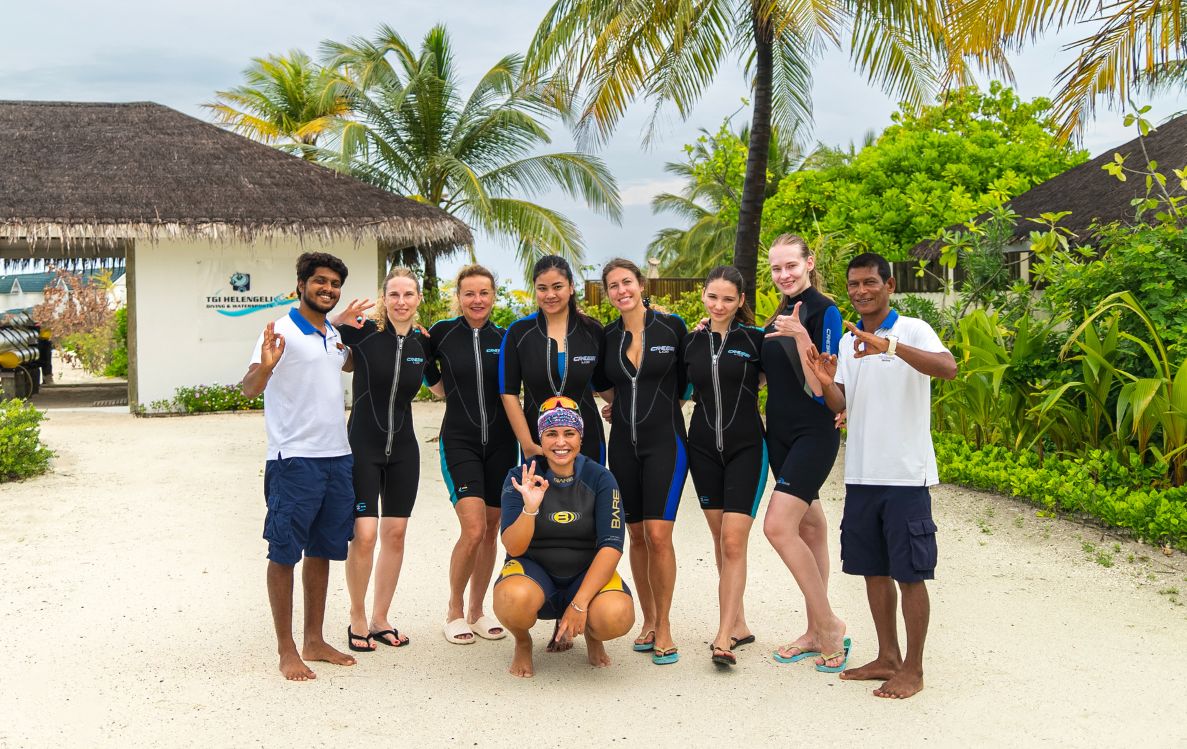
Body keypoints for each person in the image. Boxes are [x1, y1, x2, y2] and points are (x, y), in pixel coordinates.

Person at [805, 251, 957, 699]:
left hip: (906, 475)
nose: (861, 291)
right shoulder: (849, 340)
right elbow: (841, 403)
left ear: (889, 285)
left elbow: (947, 368)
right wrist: (826, 381)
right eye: (854, 284)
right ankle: (887, 656)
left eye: (870, 282)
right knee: (873, 570)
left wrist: (889, 347)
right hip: (862, 473)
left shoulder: (912, 329)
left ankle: (914, 668)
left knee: (910, 574)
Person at [240, 251, 358, 681]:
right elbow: (249, 388)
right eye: (320, 281)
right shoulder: (280, 332)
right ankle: (286, 648)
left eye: (335, 284)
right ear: (301, 285)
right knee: (284, 553)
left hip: (337, 457)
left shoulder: (332, 333)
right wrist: (266, 367)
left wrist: (347, 329)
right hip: (294, 460)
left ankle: (314, 639)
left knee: (323, 550)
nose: (328, 288)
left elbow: (347, 361)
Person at [493, 397, 635, 677]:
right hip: (533, 573)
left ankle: (593, 634)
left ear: (580, 437)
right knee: (511, 598)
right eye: (551, 434)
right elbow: (513, 547)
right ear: (541, 438)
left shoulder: (601, 479)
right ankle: (523, 642)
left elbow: (612, 546)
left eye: (569, 433)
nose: (561, 442)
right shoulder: (521, 477)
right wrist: (530, 509)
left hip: (585, 576)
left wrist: (580, 603)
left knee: (616, 615)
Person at [760, 234, 850, 672]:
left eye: (791, 266)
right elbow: (761, 375)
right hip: (778, 435)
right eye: (776, 269)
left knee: (778, 527)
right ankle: (814, 631)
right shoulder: (775, 316)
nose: (784, 275)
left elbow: (820, 387)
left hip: (813, 433)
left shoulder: (823, 311)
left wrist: (800, 336)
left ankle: (830, 625)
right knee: (811, 527)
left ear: (809, 263)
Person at [331, 267, 431, 652]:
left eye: (408, 294)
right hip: (363, 447)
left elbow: (448, 382)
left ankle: (380, 618)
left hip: (404, 450)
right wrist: (338, 321)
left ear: (418, 299)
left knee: (395, 534)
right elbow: (317, 339)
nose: (401, 302)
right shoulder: (364, 333)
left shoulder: (425, 343)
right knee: (365, 534)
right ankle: (357, 616)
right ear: (384, 299)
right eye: (394, 295)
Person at [597, 258, 688, 665]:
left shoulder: (672, 327)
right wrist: (619, 406)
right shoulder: (607, 336)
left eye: (627, 282)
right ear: (608, 293)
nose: (622, 291)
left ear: (640, 284)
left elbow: (688, 382)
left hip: (666, 443)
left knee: (658, 535)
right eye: (613, 286)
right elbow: (604, 385)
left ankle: (665, 625)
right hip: (622, 446)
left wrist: (655, 407)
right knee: (635, 535)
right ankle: (648, 620)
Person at [423, 265, 517, 644]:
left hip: (502, 443)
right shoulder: (442, 334)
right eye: (469, 293)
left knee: (492, 528)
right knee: (474, 528)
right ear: (459, 297)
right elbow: (428, 373)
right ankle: (454, 610)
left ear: (493, 296)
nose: (477, 300)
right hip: (460, 441)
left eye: (484, 293)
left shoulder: (506, 337)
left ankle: (477, 611)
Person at [681, 265, 768, 667]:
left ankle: (723, 636)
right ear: (703, 295)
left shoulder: (756, 340)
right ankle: (740, 623)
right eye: (713, 297)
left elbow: (785, 384)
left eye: (728, 299)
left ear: (741, 301)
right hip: (702, 449)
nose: (719, 305)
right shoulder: (691, 342)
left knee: (733, 542)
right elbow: (675, 392)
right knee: (721, 541)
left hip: (746, 448)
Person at [499, 255, 608, 464]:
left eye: (557, 287)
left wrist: (617, 405)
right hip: (537, 445)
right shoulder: (519, 333)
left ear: (571, 287)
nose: (550, 295)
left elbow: (605, 384)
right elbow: (508, 393)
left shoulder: (592, 330)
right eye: (542, 288)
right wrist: (527, 445)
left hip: (589, 443)